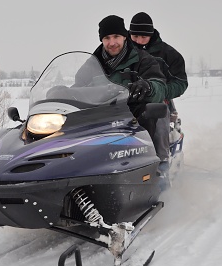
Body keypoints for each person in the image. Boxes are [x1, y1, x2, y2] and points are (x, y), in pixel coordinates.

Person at [75, 15, 167, 150]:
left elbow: (160, 85)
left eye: (116, 36)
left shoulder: (143, 60)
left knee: (147, 113)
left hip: (132, 116)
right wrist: (63, 93)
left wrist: (148, 86)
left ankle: (152, 161)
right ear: (102, 40)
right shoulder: (92, 64)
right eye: (107, 38)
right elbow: (78, 88)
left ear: (124, 36)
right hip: (100, 116)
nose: (112, 43)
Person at [129, 12, 188, 167]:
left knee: (159, 129)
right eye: (135, 36)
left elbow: (181, 82)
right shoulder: (123, 52)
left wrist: (160, 92)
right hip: (125, 102)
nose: (138, 41)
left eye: (143, 37)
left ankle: (161, 166)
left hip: (157, 104)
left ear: (151, 34)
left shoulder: (168, 55)